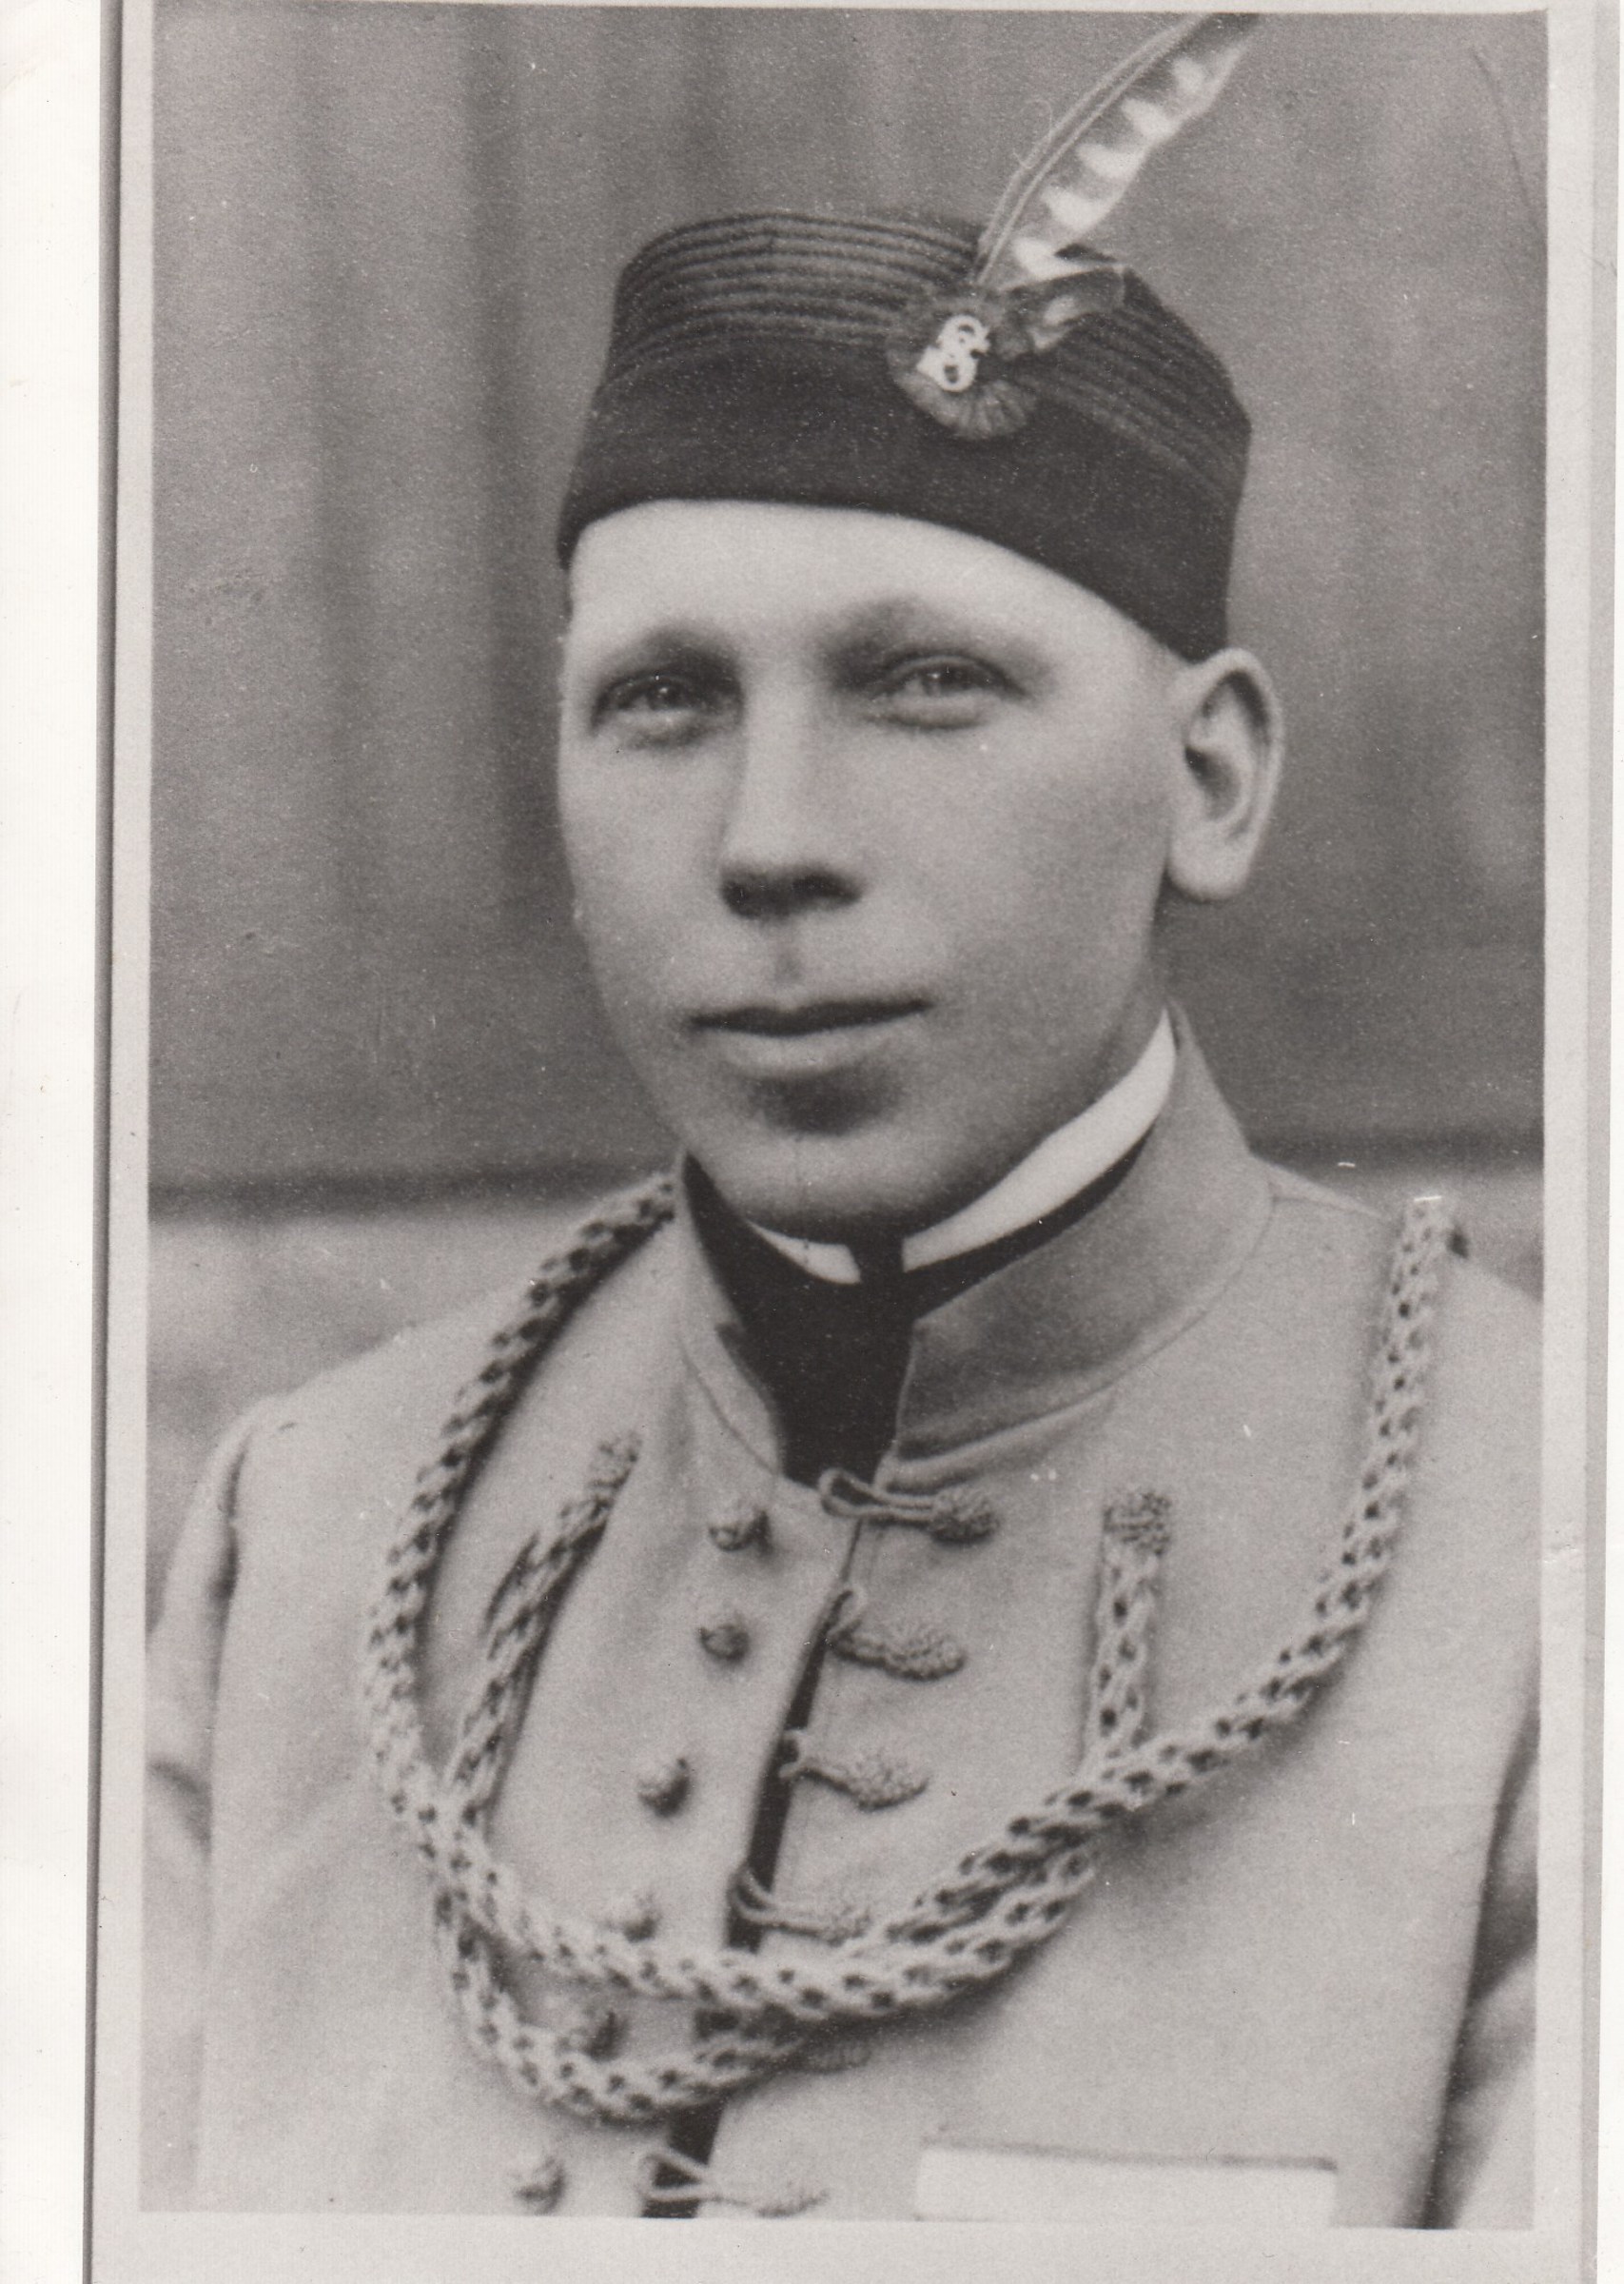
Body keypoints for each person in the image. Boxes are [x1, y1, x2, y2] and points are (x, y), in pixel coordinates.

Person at [143, 18, 1536, 2228]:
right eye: (662, 699)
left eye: (922, 683)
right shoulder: (308, 1541)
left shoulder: (1544, 1551)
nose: (768, 839)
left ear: (1204, 781)